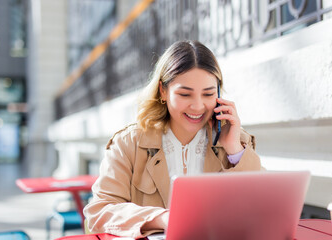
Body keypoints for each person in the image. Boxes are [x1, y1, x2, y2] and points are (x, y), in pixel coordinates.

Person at [83, 40, 263, 238]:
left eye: (208, 94)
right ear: (163, 91)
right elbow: (99, 212)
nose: (198, 106)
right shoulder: (128, 143)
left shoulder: (236, 140)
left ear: (219, 93)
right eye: (185, 94)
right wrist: (163, 218)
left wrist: (235, 151)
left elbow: (264, 208)